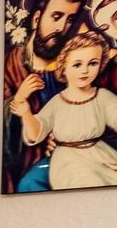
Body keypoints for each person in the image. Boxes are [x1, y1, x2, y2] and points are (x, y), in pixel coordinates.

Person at [12, 31, 117, 190]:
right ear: (64, 66)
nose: (85, 70)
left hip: (100, 154)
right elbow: (36, 134)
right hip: (69, 161)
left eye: (93, 63)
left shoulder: (102, 97)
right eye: (77, 64)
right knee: (89, 184)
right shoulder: (58, 102)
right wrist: (26, 113)